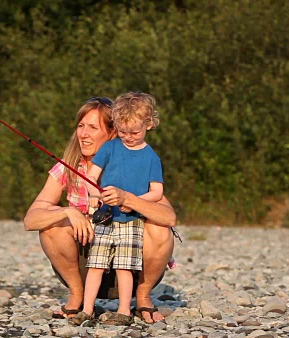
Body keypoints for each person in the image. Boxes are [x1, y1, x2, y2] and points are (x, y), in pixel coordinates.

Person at [23, 96, 176, 324]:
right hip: (89, 263)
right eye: (80, 126)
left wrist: (129, 199)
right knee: (51, 225)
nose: (83, 134)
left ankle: (143, 297)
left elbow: (169, 217)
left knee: (160, 228)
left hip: (129, 261)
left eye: (93, 127)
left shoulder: (135, 163)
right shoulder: (68, 166)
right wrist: (68, 212)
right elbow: (31, 220)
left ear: (113, 132)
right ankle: (78, 296)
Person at [76, 92, 164, 325]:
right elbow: (90, 176)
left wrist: (133, 201)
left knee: (125, 267)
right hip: (105, 217)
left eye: (134, 132)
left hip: (132, 219)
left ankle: (124, 311)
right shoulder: (110, 148)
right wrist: (94, 194)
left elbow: (157, 192)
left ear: (149, 124)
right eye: (123, 131)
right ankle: (86, 309)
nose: (128, 137)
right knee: (96, 264)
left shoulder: (151, 157)